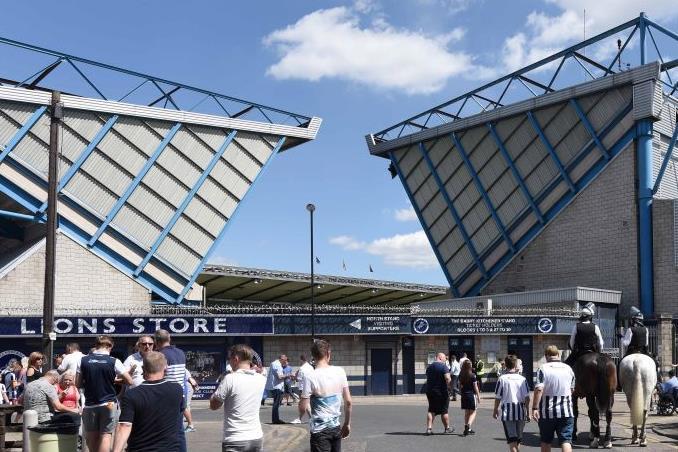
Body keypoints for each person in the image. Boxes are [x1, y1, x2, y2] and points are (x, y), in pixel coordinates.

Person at [112, 352, 183, 452]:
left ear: (143, 369)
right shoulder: (177, 389)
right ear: (165, 368)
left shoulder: (132, 395)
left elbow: (124, 426)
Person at [77, 335, 133, 452]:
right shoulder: (114, 361)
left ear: (96, 345)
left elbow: (77, 383)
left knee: (92, 437)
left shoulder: (82, 360)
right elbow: (129, 381)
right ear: (110, 346)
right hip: (109, 404)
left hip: (90, 404)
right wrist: (115, 381)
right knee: (106, 435)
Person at [210, 344, 267, 452]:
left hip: (235, 439)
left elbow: (214, 405)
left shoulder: (229, 379)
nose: (229, 362)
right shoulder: (261, 379)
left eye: (229, 359)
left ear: (235, 359)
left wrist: (215, 393)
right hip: (256, 437)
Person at [300, 339, 352, 452]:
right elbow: (348, 402)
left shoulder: (310, 376)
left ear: (313, 356)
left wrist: (303, 413)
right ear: (328, 353)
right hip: (336, 428)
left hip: (319, 431)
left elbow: (303, 407)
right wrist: (347, 424)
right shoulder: (340, 371)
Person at [531, 345, 575, 452]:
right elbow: (572, 390)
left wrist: (535, 408)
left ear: (546, 356)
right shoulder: (568, 368)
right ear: (558, 354)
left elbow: (539, 389)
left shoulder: (543, 368)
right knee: (566, 441)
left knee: (546, 441)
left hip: (547, 412)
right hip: (566, 411)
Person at [155, 329, 188, 452]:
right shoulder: (181, 353)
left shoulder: (159, 356)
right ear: (169, 339)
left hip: (165, 396)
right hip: (180, 394)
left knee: (163, 430)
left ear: (156, 341)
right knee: (179, 429)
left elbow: (159, 376)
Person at [494, 355, 530, 452]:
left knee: (512, 440)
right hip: (521, 411)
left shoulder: (502, 379)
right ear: (515, 364)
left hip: (507, 412)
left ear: (505, 365)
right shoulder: (522, 379)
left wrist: (495, 410)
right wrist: (528, 412)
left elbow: (498, 397)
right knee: (518, 440)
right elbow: (527, 397)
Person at [565, 302, 604, 367]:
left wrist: (573, 351)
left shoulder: (576, 326)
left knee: (566, 365)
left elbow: (571, 342)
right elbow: (601, 343)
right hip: (593, 352)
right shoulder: (595, 327)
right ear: (590, 316)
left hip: (579, 353)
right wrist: (599, 352)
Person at [424, 352, 453, 435]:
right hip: (441, 392)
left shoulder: (429, 367)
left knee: (431, 410)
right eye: (445, 358)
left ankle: (429, 429)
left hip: (430, 391)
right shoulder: (444, 367)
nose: (445, 360)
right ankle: (447, 428)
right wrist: (449, 388)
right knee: (444, 411)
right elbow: (447, 378)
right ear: (440, 357)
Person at [265, 354, 288, 424]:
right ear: (282, 359)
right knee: (276, 404)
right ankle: (275, 420)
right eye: (285, 360)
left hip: (276, 386)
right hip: (276, 387)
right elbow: (279, 377)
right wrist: (288, 375)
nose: (286, 362)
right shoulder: (276, 364)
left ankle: (276, 419)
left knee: (277, 403)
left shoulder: (276, 364)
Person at [459, 359, 480, 436]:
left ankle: (467, 427)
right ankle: (468, 425)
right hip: (471, 395)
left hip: (464, 395)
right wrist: (478, 396)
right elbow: (475, 387)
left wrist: (462, 393)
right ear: (470, 366)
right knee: (473, 411)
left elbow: (460, 386)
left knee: (466, 412)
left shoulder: (461, 375)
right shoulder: (472, 375)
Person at [292, 354, 314, 424]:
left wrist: (294, 377)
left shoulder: (302, 368)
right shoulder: (311, 367)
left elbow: (299, 379)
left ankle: (300, 419)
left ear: (301, 360)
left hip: (303, 388)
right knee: (307, 403)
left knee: (303, 404)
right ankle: (310, 418)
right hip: (310, 387)